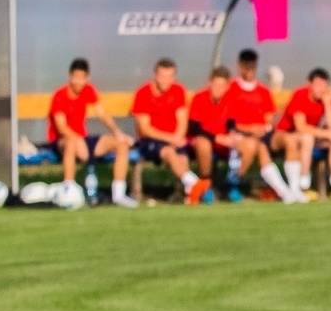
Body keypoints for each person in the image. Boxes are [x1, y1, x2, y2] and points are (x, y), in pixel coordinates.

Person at [46, 57, 137, 208]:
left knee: (121, 144)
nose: (78, 82)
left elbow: (102, 115)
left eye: (82, 78)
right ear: (70, 76)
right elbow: (61, 127)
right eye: (75, 77)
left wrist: (118, 133)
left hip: (83, 138)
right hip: (62, 140)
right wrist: (77, 141)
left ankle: (118, 195)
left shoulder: (88, 90)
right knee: (70, 143)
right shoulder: (60, 95)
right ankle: (69, 189)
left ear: (87, 78)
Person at [221, 49, 296, 203]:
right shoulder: (231, 89)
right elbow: (230, 121)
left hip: (263, 133)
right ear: (239, 66)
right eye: (246, 66)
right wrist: (250, 129)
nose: (249, 70)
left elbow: (269, 117)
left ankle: (294, 189)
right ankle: (232, 183)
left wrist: (268, 125)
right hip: (242, 134)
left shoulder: (263, 91)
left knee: (289, 140)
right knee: (257, 148)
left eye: (252, 66)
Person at [131, 58, 209, 204]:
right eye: (162, 76)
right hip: (150, 141)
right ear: (155, 75)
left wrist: (177, 138)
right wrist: (170, 139)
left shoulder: (178, 90)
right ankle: (195, 183)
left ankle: (189, 195)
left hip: (173, 138)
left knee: (183, 157)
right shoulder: (143, 93)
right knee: (169, 152)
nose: (166, 81)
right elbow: (145, 129)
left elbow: (182, 120)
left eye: (169, 77)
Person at [270, 69, 331, 200]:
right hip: (284, 135)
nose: (321, 89)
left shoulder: (326, 99)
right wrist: (328, 134)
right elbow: (300, 127)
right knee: (307, 138)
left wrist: (328, 104)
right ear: (309, 84)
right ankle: (303, 185)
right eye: (318, 85)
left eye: (324, 86)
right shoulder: (300, 95)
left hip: (311, 136)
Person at [186, 66, 234, 203]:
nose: (218, 89)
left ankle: (232, 185)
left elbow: (231, 121)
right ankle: (205, 186)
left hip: (223, 142)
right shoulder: (199, 98)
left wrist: (232, 134)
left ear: (227, 87)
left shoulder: (229, 99)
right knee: (203, 144)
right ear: (209, 83)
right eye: (216, 85)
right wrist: (217, 137)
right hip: (202, 139)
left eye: (222, 86)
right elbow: (194, 128)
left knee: (247, 145)